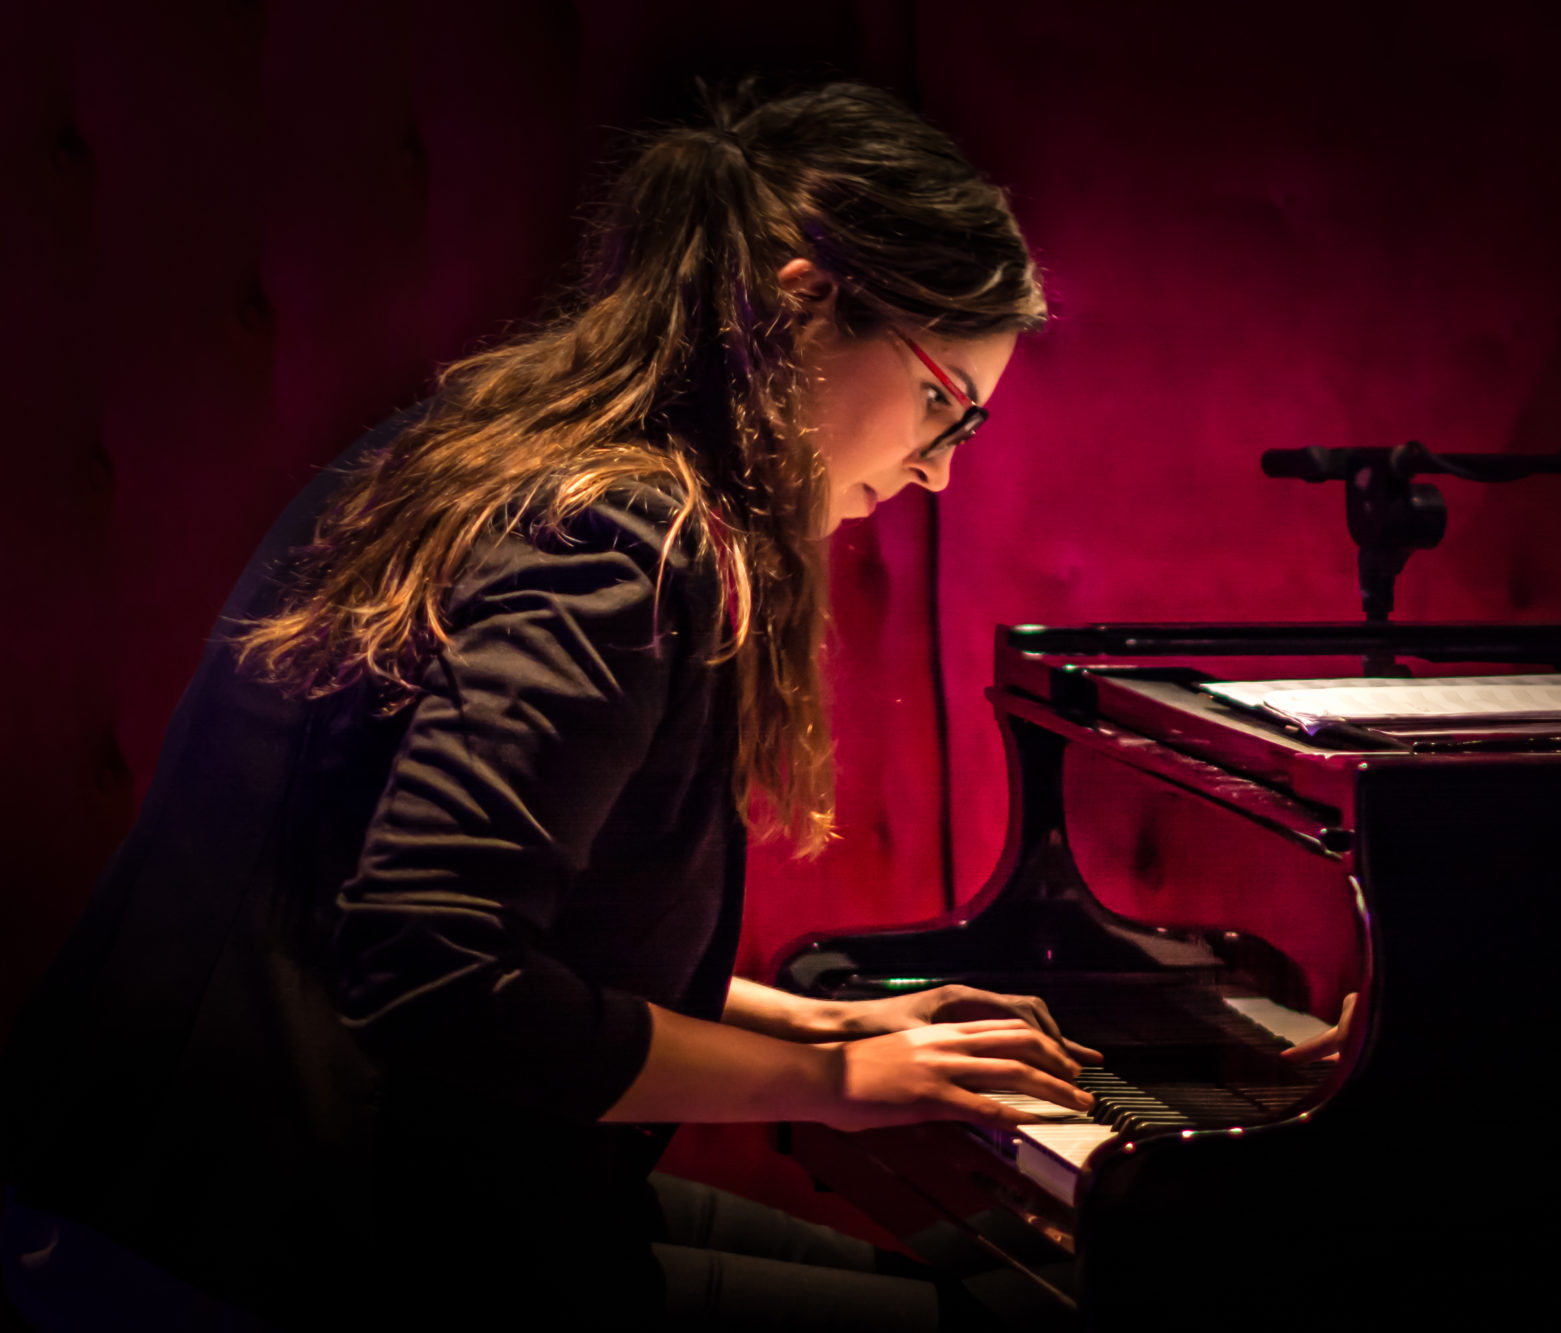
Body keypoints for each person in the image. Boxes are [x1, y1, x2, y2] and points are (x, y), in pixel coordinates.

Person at [0, 82, 1102, 1332]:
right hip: (261, 1232)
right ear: (799, 302)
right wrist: (833, 1082)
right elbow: (430, 976)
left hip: (264, 1177)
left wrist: (817, 1025)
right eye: (944, 400)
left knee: (981, 1297)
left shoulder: (511, 453)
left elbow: (468, 927)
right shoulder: (611, 540)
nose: (940, 469)